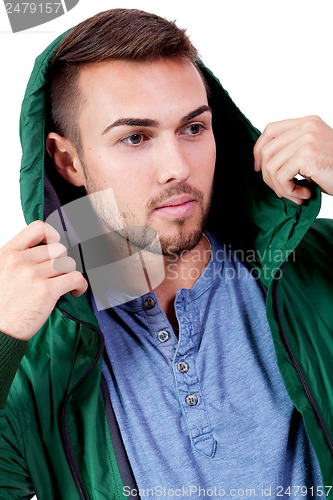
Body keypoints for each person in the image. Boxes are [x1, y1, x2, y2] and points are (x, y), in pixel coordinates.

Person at [1, 7, 333, 499]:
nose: (176, 167)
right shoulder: (38, 350)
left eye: (194, 128)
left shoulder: (317, 264)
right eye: (135, 138)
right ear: (68, 160)